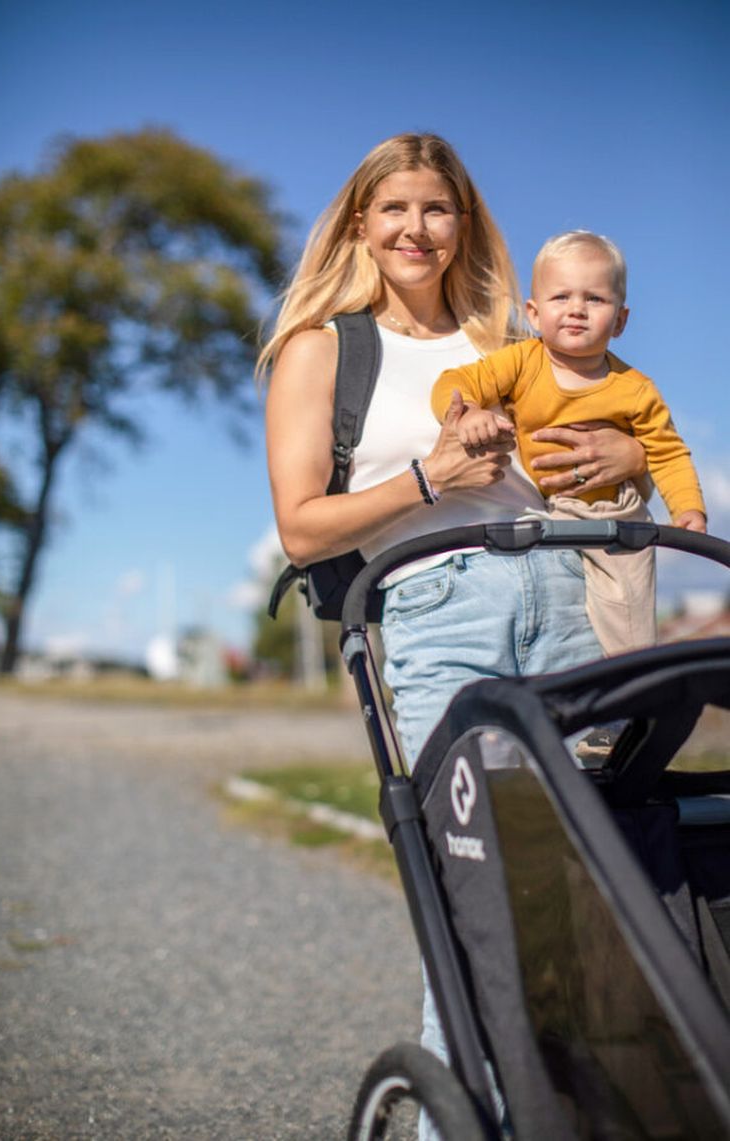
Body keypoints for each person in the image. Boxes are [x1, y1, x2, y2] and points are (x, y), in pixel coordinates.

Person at [260, 133, 647, 1133]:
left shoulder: (505, 339)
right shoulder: (323, 347)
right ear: (360, 223)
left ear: (461, 223)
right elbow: (302, 527)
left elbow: (590, 470)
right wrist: (429, 479)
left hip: (557, 592)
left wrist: (620, 451)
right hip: (438, 610)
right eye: (393, 209)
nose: (415, 229)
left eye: (436, 209)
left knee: (576, 898)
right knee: (475, 893)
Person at [431, 230, 707, 655]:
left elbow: (667, 452)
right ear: (535, 313)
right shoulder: (522, 362)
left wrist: (688, 508)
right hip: (541, 510)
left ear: (620, 320)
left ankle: (631, 695)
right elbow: (457, 381)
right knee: (558, 621)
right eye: (561, 298)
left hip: (613, 511)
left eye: (594, 299)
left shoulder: (634, 388)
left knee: (626, 615)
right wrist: (467, 411)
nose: (577, 309)